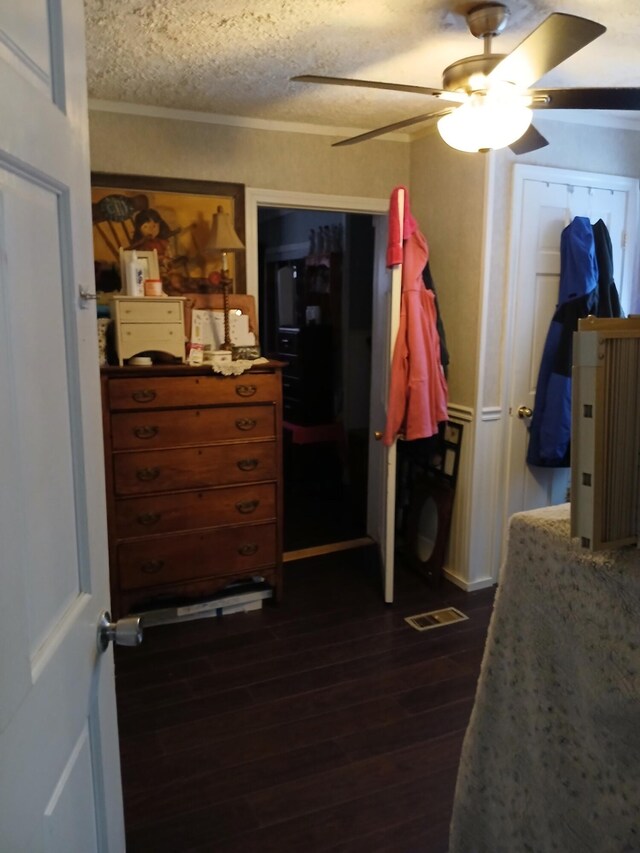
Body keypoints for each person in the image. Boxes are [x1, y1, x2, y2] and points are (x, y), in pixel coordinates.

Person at [130, 208, 179, 277]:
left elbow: (167, 250)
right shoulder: (142, 244)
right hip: (150, 269)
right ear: (139, 229)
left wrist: (168, 255)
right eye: (145, 227)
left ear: (160, 225)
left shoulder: (160, 241)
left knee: (172, 273)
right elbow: (144, 258)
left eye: (154, 226)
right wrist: (161, 259)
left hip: (164, 265)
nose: (151, 230)